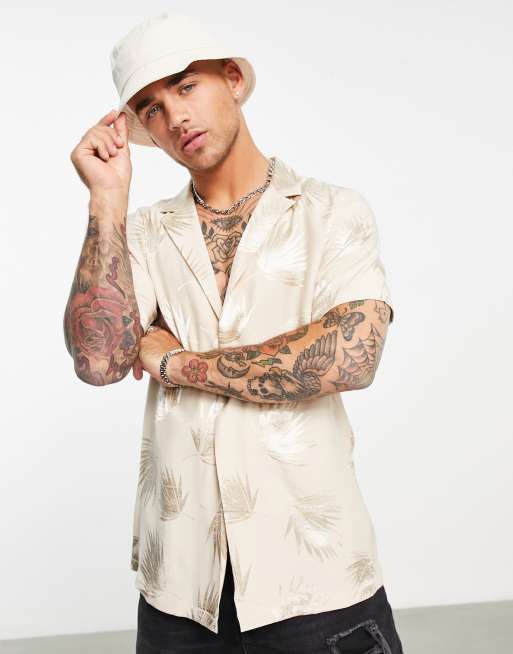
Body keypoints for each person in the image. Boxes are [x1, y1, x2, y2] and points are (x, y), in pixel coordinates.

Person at [64, 11, 404, 654]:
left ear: (233, 80)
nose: (175, 116)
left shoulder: (332, 211)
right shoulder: (143, 233)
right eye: (152, 107)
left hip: (316, 581)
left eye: (186, 86)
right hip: (180, 591)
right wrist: (106, 199)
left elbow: (349, 357)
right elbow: (99, 360)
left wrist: (177, 363)